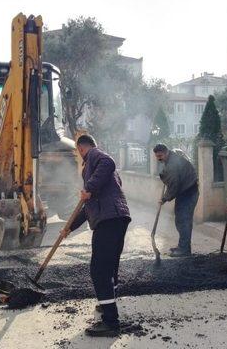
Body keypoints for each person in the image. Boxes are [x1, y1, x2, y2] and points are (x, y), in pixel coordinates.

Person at [62, 134, 131, 337]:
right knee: (109, 266)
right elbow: (87, 209)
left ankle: (110, 321)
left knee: (99, 269)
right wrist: (69, 228)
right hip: (117, 217)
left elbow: (108, 162)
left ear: (81, 148)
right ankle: (108, 303)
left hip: (108, 220)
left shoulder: (94, 156)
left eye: (79, 152)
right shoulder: (102, 178)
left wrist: (89, 187)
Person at [153, 143, 199, 257]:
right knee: (180, 220)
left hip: (188, 193)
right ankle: (182, 246)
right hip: (185, 192)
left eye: (160, 156)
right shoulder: (171, 160)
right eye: (157, 156)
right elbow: (170, 176)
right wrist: (164, 175)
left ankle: (184, 250)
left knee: (183, 221)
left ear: (166, 152)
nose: (159, 158)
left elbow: (173, 186)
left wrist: (164, 198)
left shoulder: (172, 164)